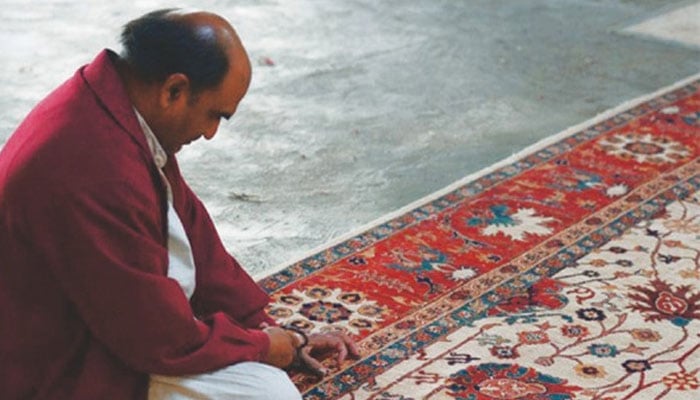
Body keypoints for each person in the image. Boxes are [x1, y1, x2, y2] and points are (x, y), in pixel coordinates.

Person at [0, 8, 358, 400]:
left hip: (101, 318)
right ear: (174, 90)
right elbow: (154, 337)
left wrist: (269, 328)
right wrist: (263, 346)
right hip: (50, 363)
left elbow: (190, 230)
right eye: (214, 115)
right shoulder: (92, 163)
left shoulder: (115, 104)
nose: (209, 133)